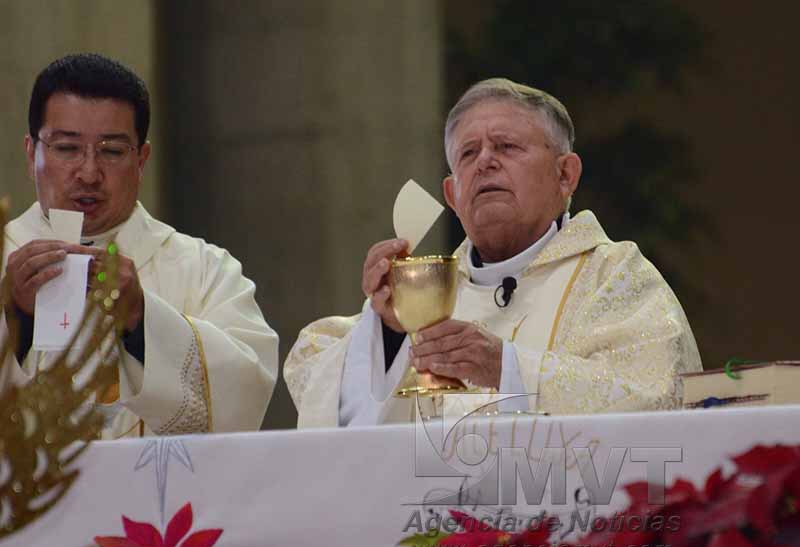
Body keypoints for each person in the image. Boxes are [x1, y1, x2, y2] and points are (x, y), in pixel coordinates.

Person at [284, 78, 702, 427]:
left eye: (506, 147)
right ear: (453, 194)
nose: (484, 162)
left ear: (565, 175)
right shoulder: (423, 297)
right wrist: (389, 335)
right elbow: (320, 386)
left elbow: (659, 398)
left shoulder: (613, 276)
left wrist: (506, 366)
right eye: (469, 153)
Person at [0, 53, 278, 438]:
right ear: (32, 154)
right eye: (67, 148)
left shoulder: (203, 270)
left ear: (142, 159)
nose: (89, 172)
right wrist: (14, 320)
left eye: (112, 151)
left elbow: (247, 392)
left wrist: (143, 322)